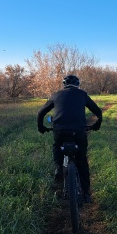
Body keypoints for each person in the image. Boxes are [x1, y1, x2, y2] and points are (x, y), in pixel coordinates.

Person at [37, 75, 102, 203]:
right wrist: (96, 125)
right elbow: (98, 112)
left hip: (60, 131)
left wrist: (41, 127)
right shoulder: (82, 94)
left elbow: (40, 113)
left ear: (64, 85)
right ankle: (86, 194)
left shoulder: (56, 95)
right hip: (78, 131)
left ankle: (58, 168)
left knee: (57, 146)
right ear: (78, 85)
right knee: (82, 161)